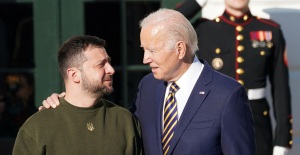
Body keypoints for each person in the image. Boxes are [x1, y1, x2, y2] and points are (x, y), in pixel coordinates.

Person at [41, 9, 256, 155]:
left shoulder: (227, 95)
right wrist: (67, 103)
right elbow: (118, 126)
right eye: (144, 50)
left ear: (180, 49)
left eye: (152, 50)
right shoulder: (149, 86)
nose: (145, 59)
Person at [175, 0, 293, 155]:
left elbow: (281, 89)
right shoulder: (204, 29)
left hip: (256, 123)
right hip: (213, 120)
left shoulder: (270, 30)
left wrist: (282, 141)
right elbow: (170, 22)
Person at [13, 35, 142, 155]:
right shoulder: (36, 128)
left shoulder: (124, 120)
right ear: (74, 75)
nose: (111, 70)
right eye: (101, 64)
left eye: (109, 63)